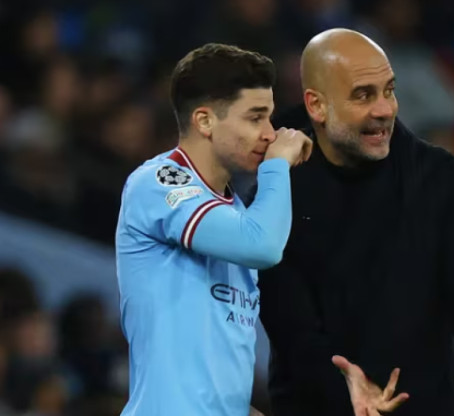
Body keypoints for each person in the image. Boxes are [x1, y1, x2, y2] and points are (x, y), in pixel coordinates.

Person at [258, 29, 454, 416]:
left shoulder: (439, 176)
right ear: (317, 106)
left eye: (389, 90)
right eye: (363, 95)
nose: (385, 108)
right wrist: (347, 389)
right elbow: (293, 329)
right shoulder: (278, 183)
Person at [115, 43, 312, 416]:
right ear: (204, 121)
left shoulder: (235, 213)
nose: (271, 134)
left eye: (270, 118)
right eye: (255, 118)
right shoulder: (159, 182)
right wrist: (277, 167)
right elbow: (265, 247)